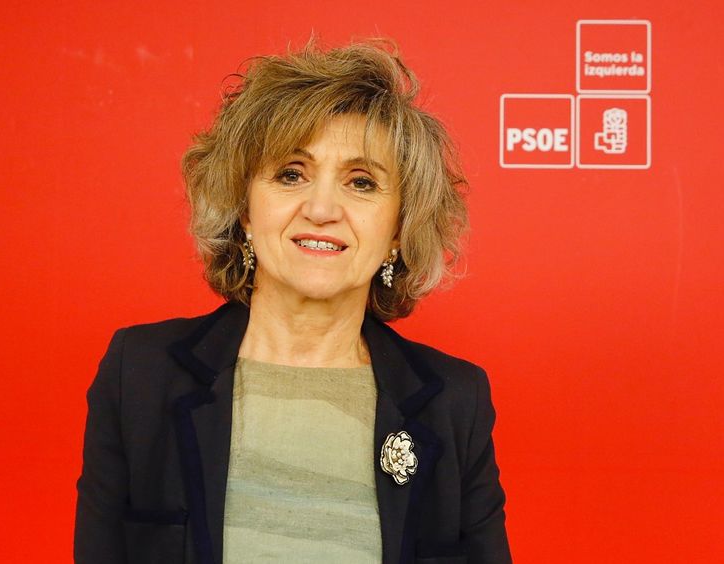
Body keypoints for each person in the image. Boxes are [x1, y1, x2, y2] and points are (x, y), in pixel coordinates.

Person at [74, 39, 510, 564]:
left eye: (361, 182)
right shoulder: (140, 375)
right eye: (291, 174)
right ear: (245, 209)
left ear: (399, 229)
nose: (322, 208)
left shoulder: (454, 402)